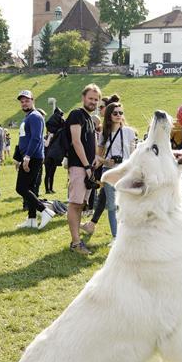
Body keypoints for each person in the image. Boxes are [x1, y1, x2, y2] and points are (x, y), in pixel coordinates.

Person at [83, 101, 137, 238]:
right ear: (109, 116)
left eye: (121, 112)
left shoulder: (130, 132)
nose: (118, 115)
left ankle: (127, 234)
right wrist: (107, 161)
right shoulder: (104, 134)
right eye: (115, 113)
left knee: (125, 205)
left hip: (125, 171)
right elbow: (98, 156)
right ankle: (115, 237)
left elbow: (133, 155)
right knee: (112, 206)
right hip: (109, 171)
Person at [65, 84, 102, 254]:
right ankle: (75, 243)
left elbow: (91, 142)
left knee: (81, 204)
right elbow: (76, 141)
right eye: (91, 98)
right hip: (79, 167)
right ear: (83, 98)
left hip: (88, 167)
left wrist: (94, 159)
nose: (93, 102)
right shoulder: (76, 114)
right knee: (74, 204)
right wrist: (86, 165)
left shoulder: (89, 118)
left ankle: (77, 240)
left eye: (96, 99)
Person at [15, 90, 50, 229]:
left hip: (33, 157)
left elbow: (36, 138)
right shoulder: (29, 116)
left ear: (33, 100)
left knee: (21, 188)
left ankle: (45, 210)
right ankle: (31, 220)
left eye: (27, 100)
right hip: (29, 156)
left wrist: (27, 157)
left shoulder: (35, 116)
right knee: (29, 188)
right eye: (22, 101)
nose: (24, 103)